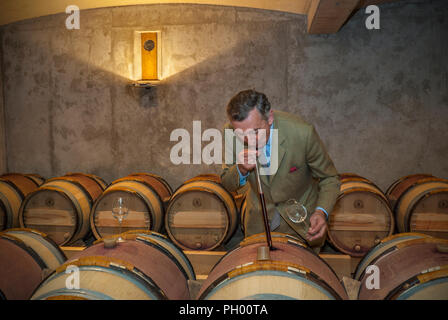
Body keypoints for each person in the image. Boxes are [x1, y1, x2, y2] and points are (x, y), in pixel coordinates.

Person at [221, 89, 340, 252]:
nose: (250, 140)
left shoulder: (303, 133)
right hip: (258, 226)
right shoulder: (229, 133)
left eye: (256, 131)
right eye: (242, 134)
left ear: (270, 117)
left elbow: (330, 179)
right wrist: (240, 169)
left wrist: (321, 212)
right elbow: (227, 183)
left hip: (302, 226)